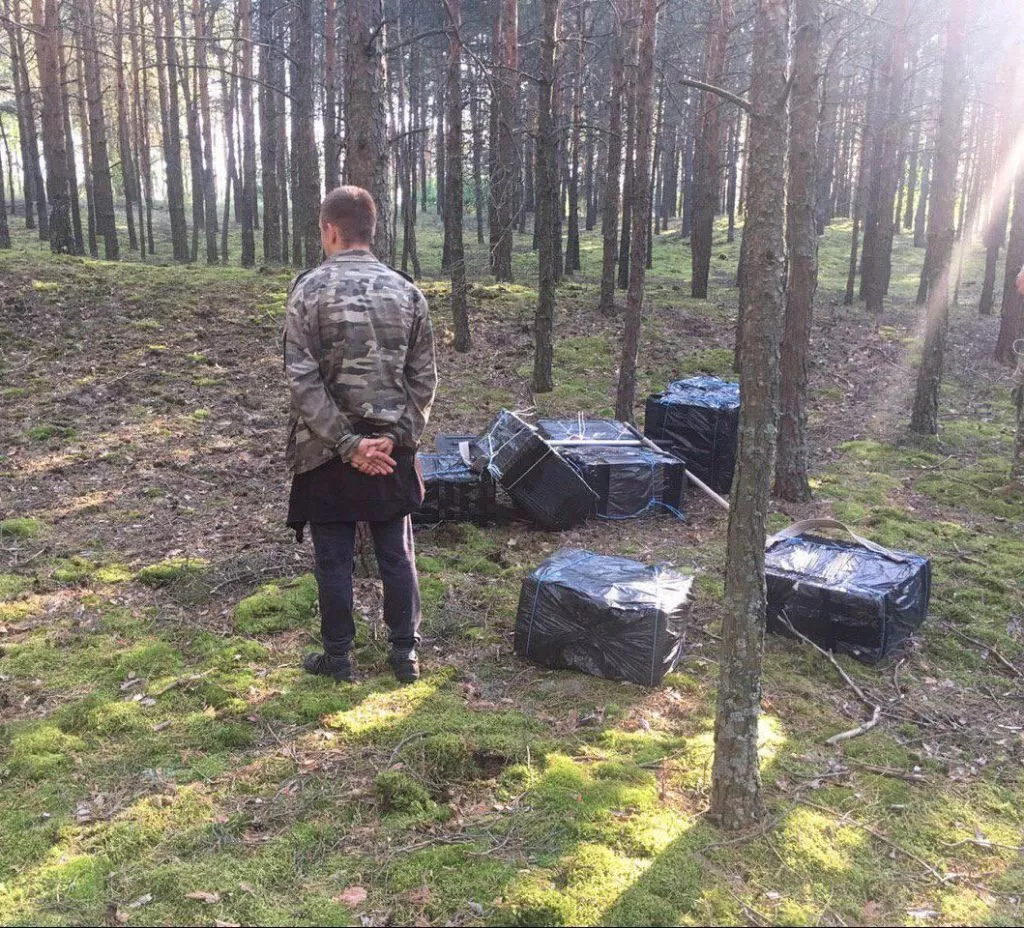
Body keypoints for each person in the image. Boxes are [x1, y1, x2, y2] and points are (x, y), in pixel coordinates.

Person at [283, 186, 437, 684]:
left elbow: (302, 380)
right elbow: (424, 379)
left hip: (325, 451)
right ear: (371, 230)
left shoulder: (307, 291)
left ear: (330, 230)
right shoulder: (407, 292)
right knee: (396, 552)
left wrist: (348, 445)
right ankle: (405, 654)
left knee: (333, 557)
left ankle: (338, 658)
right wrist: (397, 437)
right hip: (389, 451)